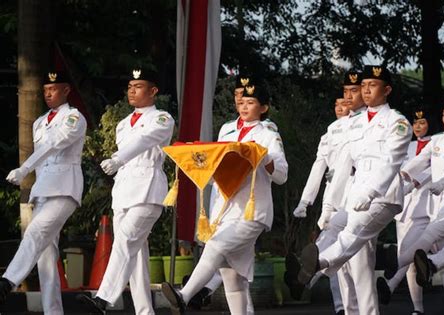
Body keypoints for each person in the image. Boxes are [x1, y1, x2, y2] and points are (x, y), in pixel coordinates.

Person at [161, 82, 288, 315]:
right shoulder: (227, 131)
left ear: (264, 108)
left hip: (252, 212)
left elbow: (281, 174)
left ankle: (184, 296)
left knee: (215, 247)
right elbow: (216, 173)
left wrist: (263, 157)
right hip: (225, 210)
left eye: (251, 103)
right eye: (242, 102)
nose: (244, 106)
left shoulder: (268, 134)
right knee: (233, 279)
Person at [297, 65, 412, 294]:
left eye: (373, 85)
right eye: (364, 86)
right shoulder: (355, 123)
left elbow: (390, 163)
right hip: (354, 195)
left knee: (354, 231)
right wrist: (331, 205)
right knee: (335, 225)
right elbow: (342, 167)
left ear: (387, 89)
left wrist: (370, 192)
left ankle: (317, 264)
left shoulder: (397, 122)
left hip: (383, 196)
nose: (366, 90)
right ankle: (306, 267)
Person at [78, 68, 174, 314]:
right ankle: (144, 311)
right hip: (123, 191)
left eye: (139, 86)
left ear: (153, 91)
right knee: (136, 255)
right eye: (130, 86)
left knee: (125, 242)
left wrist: (118, 158)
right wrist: (119, 163)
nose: (132, 90)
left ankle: (102, 299)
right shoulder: (121, 124)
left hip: (148, 189)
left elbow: (146, 140)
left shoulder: (162, 118)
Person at [1, 71, 87, 314]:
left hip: (64, 189)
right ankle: (53, 311)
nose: (48, 94)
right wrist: (32, 180)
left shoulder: (74, 118)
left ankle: (7, 281)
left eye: (54, 89)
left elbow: (53, 145)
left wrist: (24, 168)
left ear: (66, 90)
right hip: (43, 190)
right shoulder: (39, 122)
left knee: (36, 233)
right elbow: (42, 157)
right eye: (45, 90)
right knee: (46, 257)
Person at [379, 96, 444, 305]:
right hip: (439, 207)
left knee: (432, 237)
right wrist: (400, 174)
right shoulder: (438, 141)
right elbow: (421, 161)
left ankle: (397, 263)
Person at [291, 94, 351, 315]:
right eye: (336, 104)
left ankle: (305, 277)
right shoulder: (329, 134)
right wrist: (305, 201)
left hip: (355, 194)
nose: (340, 107)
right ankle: (341, 307)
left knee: (349, 256)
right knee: (339, 259)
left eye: (344, 103)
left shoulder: (361, 127)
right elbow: (319, 168)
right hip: (333, 195)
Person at [376, 109, 433, 314]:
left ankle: (391, 282)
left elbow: (433, 170)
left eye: (423, 122)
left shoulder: (438, 142)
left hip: (428, 204)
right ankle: (417, 308)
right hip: (405, 208)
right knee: (411, 262)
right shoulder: (406, 146)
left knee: (415, 255)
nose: (418, 127)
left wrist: (414, 182)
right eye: (415, 123)